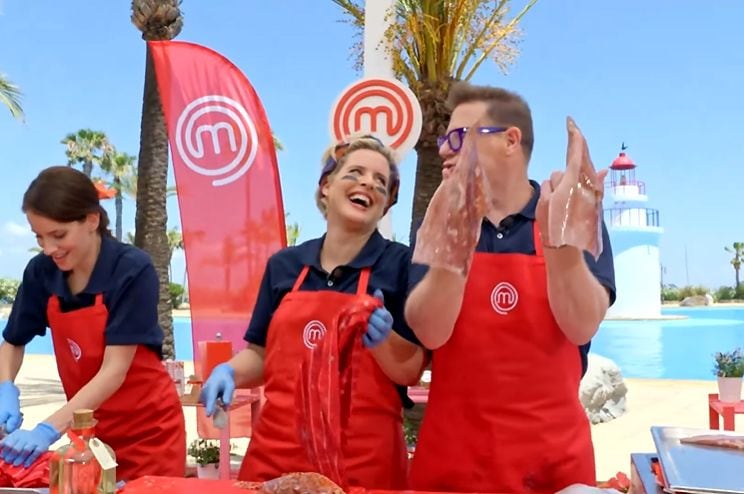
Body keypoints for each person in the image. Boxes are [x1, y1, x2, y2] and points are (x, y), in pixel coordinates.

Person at [405, 82, 616, 494]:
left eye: (457, 137)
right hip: (452, 470)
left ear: (509, 140)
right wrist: (456, 234)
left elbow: (582, 326)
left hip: (554, 472)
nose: (444, 150)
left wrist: (561, 245)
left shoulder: (567, 215)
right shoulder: (433, 225)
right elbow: (429, 331)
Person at [200, 135, 426, 490]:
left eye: (380, 182)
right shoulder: (285, 266)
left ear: (385, 205)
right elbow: (261, 356)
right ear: (326, 187)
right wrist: (230, 369)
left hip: (364, 464)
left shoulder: (401, 265)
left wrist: (384, 341)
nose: (368, 183)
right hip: (274, 456)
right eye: (355, 173)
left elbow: (410, 368)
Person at [0, 166, 185, 480]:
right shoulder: (41, 272)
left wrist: (47, 430)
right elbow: (14, 341)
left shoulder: (131, 269)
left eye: (58, 235)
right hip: (87, 439)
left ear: (91, 220)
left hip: (148, 436)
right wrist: (5, 386)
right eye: (39, 237)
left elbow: (114, 370)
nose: (48, 249)